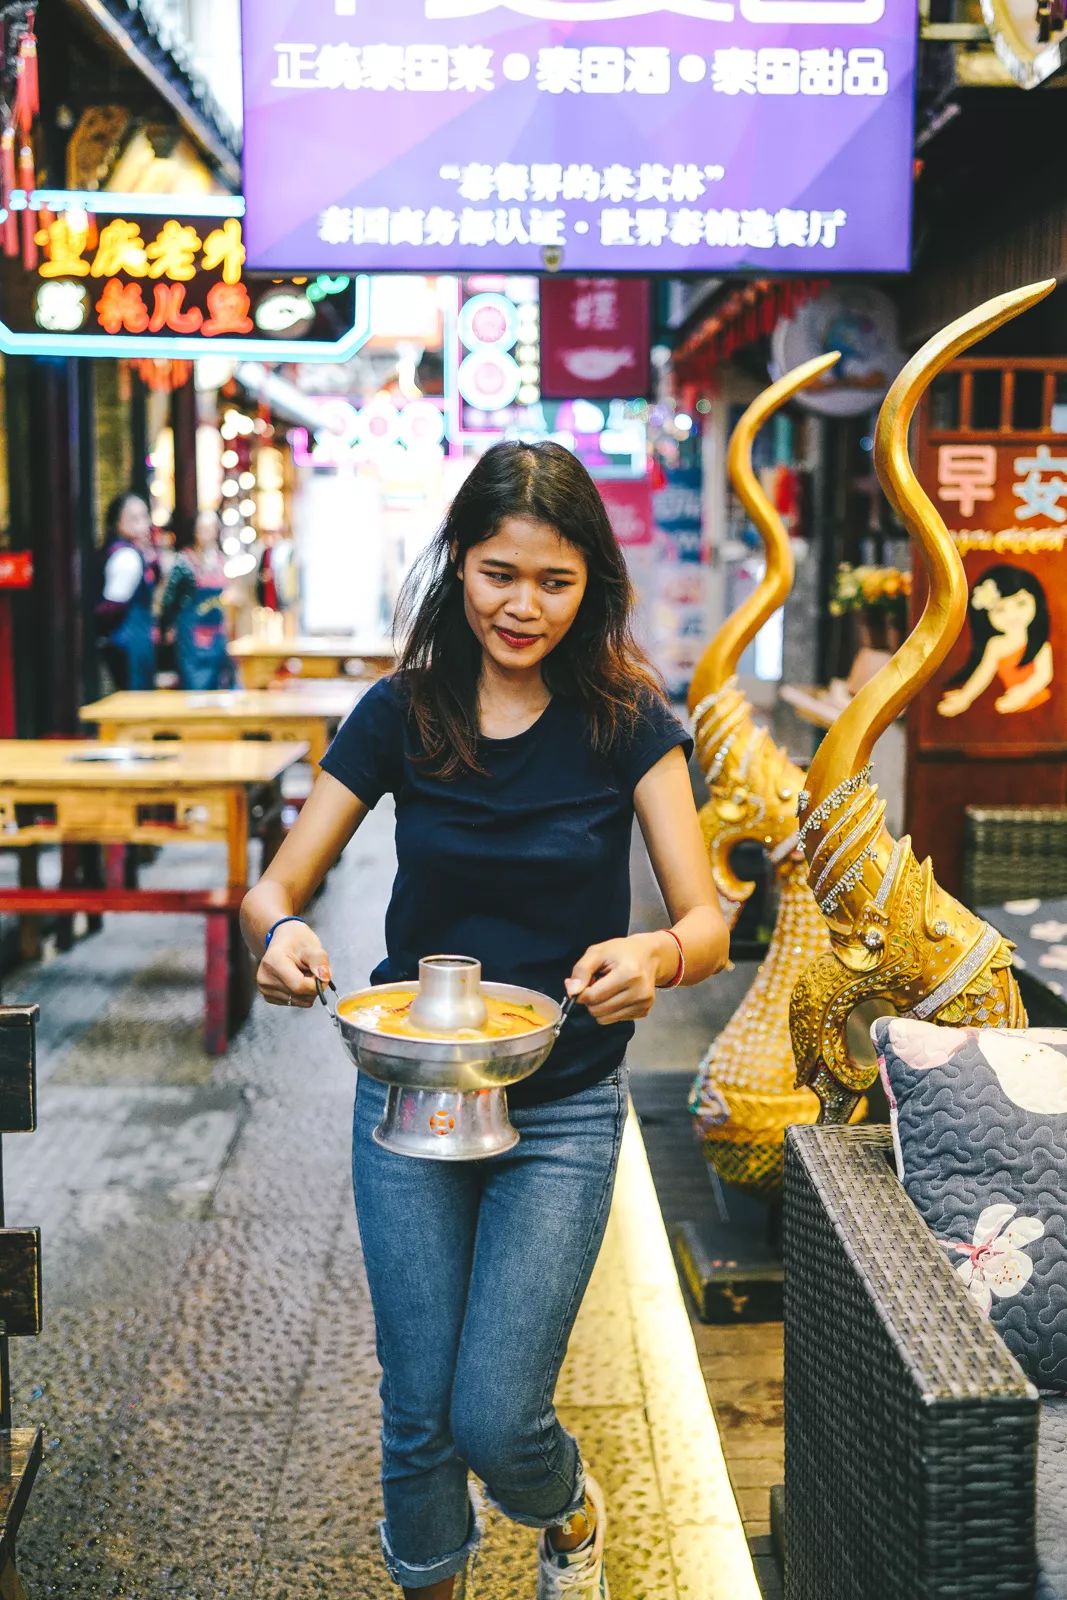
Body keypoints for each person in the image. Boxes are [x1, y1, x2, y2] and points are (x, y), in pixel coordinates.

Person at [239, 441, 730, 1600]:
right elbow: (276, 884)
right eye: (498, 572)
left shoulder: (627, 716)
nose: (522, 605)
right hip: (410, 1092)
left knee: (496, 1414)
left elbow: (706, 918)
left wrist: (654, 952)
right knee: (415, 1410)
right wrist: (276, 937)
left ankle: (564, 1517)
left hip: (557, 1107)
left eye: (553, 582)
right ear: (459, 563)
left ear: (590, 585)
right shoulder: (400, 711)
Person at [938, 564, 1053, 718]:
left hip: (1038, 701)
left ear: (1036, 602)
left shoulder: (1040, 644)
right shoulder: (995, 645)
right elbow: (983, 673)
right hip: (1009, 702)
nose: (1011, 615)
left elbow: (1044, 675)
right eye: (1000, 609)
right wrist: (966, 696)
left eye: (1021, 604)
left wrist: (1023, 693)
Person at [159, 509, 235, 690]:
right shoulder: (184, 563)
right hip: (191, 637)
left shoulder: (221, 561)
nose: (207, 533)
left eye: (211, 528)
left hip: (216, 634)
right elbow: (169, 598)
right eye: (203, 528)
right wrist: (167, 626)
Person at [95, 492, 158, 691]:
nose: (142, 524)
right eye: (133, 518)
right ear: (117, 522)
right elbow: (112, 605)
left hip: (133, 640)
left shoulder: (136, 552)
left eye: (144, 516)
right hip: (128, 643)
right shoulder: (126, 557)